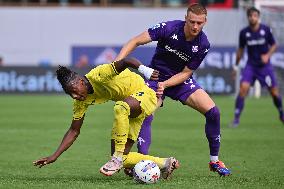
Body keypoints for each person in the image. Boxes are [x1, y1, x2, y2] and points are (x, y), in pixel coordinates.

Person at [115, 3, 231, 176]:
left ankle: (214, 161)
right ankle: (141, 163)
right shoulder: (168, 28)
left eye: (199, 23)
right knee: (145, 115)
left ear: (205, 22)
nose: (195, 26)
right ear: (186, 18)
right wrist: (115, 63)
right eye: (192, 21)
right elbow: (135, 41)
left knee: (214, 112)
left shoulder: (203, 44)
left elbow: (186, 73)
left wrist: (167, 84)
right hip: (155, 78)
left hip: (179, 81)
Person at [33, 57, 179, 179]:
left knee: (120, 108)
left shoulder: (99, 74)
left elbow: (126, 61)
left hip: (144, 95)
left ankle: (116, 159)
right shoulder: (80, 102)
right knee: (125, 157)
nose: (74, 96)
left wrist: (145, 70)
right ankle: (166, 163)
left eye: (74, 91)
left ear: (80, 81)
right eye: (70, 94)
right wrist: (54, 156)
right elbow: (74, 131)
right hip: (130, 108)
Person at [231, 7, 284, 127]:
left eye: (255, 16)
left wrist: (268, 55)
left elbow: (274, 45)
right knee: (243, 89)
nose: (252, 18)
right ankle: (236, 118)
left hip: (265, 67)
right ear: (248, 17)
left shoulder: (265, 30)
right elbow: (240, 50)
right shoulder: (244, 32)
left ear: (258, 17)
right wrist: (235, 66)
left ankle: (281, 113)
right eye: (250, 16)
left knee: (274, 93)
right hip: (251, 66)